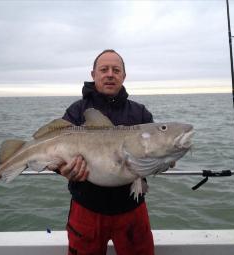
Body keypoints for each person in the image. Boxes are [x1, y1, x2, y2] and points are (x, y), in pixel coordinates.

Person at [58, 49, 155, 255]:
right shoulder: (76, 111)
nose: (110, 74)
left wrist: (166, 159)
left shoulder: (140, 113)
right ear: (93, 75)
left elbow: (152, 157)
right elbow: (54, 155)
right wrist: (63, 169)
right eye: (104, 69)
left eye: (116, 70)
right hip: (86, 209)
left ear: (123, 76)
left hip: (132, 209)